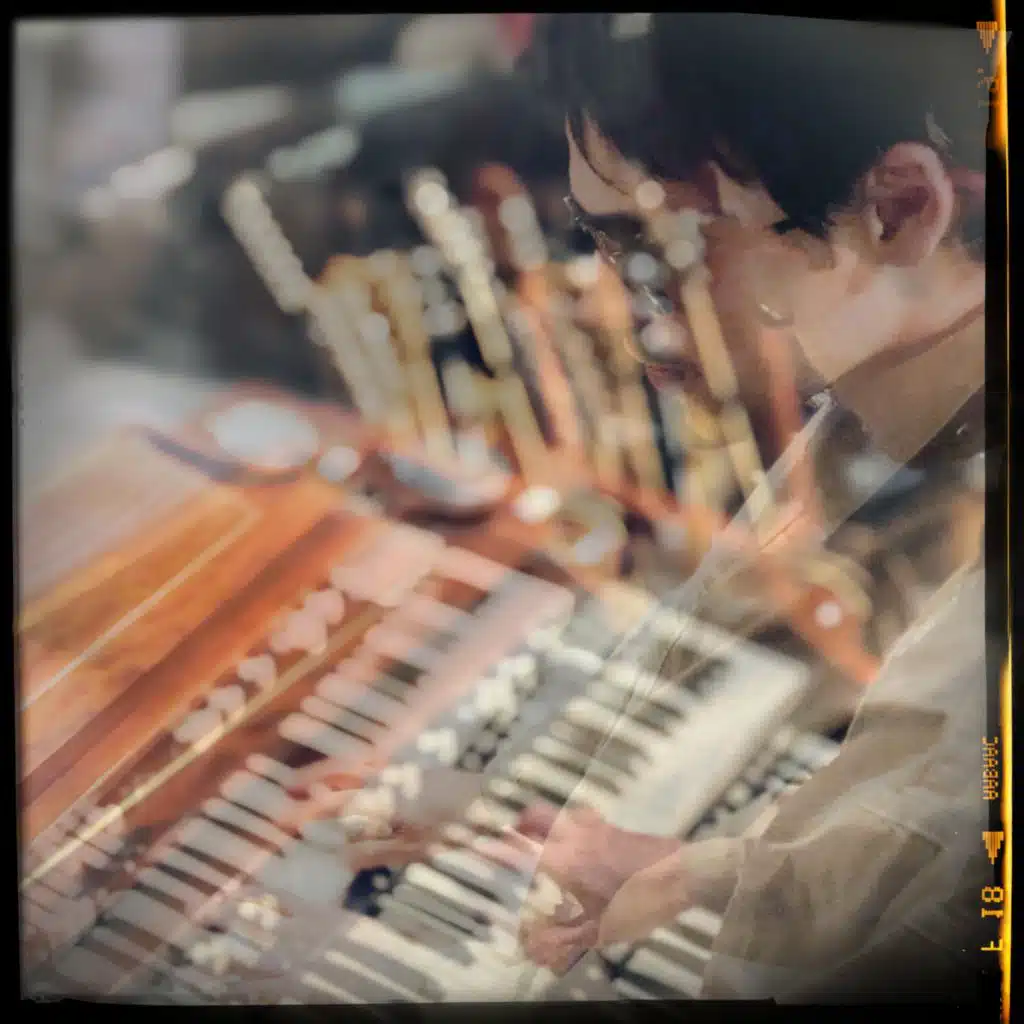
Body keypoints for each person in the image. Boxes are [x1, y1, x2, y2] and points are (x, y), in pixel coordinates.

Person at [284, 14, 994, 1003]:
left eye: (661, 247)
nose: (632, 317)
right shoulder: (907, 400)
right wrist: (652, 854)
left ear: (898, 208)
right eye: (601, 248)